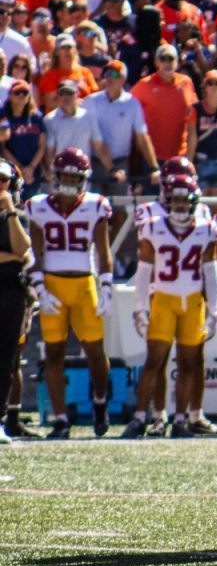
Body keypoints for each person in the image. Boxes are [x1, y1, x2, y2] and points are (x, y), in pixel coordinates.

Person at [122, 175, 217, 439]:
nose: (179, 205)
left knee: (189, 363)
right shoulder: (154, 226)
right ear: (167, 201)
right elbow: (144, 271)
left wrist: (214, 310)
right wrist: (140, 307)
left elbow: (211, 272)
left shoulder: (205, 227)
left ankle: (180, 419)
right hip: (164, 298)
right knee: (154, 360)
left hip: (192, 301)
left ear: (194, 202)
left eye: (184, 200)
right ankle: (140, 417)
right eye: (175, 200)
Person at [28, 149, 114, 440]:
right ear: (55, 175)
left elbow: (103, 251)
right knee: (53, 353)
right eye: (64, 175)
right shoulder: (38, 206)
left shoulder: (95, 205)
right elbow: (35, 252)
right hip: (53, 284)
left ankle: (100, 403)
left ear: (83, 179)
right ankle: (61, 419)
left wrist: (106, 285)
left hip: (83, 284)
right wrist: (39, 286)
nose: (67, 181)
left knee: (95, 351)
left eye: (73, 176)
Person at [82, 60, 159, 196]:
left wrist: (153, 168)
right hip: (93, 162)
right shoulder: (90, 101)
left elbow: (142, 137)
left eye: (115, 74)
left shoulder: (132, 104)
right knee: (93, 206)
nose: (110, 78)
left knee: (119, 209)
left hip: (120, 163)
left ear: (124, 79)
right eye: (107, 73)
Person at [0, 162, 31, 445]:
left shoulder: (16, 215)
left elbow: (24, 251)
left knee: (8, 358)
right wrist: (10, 257)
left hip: (11, 290)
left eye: (3, 182)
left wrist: (9, 209)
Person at [131, 45, 198, 166]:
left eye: (171, 58)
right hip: (151, 159)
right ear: (156, 62)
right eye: (163, 59)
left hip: (181, 156)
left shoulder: (186, 82)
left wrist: (190, 156)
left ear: (177, 62)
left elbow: (193, 114)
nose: (167, 63)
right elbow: (128, 107)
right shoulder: (144, 85)